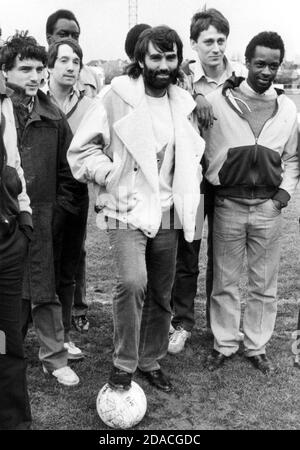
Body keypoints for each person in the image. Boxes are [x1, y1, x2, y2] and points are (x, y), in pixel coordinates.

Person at [68, 26, 204, 392]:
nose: (163, 64)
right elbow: (82, 151)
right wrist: (109, 173)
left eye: (170, 57)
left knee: (162, 291)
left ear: (178, 60)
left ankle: (150, 359)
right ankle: (124, 363)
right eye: (155, 57)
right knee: (132, 282)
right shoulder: (117, 97)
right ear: (141, 60)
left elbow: (190, 156)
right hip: (125, 207)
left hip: (169, 209)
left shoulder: (182, 102)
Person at [203, 31, 299, 374]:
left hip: (267, 209)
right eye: (260, 63)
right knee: (225, 280)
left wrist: (282, 197)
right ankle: (225, 343)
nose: (266, 71)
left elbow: (293, 158)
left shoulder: (287, 108)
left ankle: (256, 345)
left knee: (263, 283)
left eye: (273, 65)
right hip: (228, 203)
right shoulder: (217, 100)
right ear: (247, 62)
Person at [0, 32, 81, 385]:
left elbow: (70, 173)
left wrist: (57, 213)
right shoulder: (2, 113)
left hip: (45, 217)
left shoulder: (53, 115)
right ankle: (6, 352)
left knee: (45, 289)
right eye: (24, 69)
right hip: (6, 218)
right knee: (10, 294)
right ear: (5, 72)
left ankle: (54, 357)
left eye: (37, 70)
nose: (34, 77)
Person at [169, 8, 247, 354]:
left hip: (226, 179)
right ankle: (181, 322)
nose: (216, 48)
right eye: (208, 41)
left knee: (223, 256)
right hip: (190, 179)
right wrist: (195, 94)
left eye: (221, 40)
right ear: (194, 44)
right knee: (187, 251)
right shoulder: (181, 77)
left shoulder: (241, 77)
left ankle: (221, 326)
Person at [46, 10, 101, 332]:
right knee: (38, 258)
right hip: (42, 188)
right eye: (61, 35)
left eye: (75, 36)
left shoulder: (90, 94)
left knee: (72, 257)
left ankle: (69, 319)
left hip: (75, 189)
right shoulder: (35, 92)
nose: (70, 65)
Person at [0, 75, 32, 430]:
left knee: (5, 339)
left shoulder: (3, 95)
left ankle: (12, 421)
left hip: (7, 241)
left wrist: (24, 217)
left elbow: (14, 164)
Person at [46, 9, 101, 99]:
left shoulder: (91, 76)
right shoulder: (37, 74)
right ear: (49, 39)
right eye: (63, 34)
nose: (70, 40)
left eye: (75, 36)